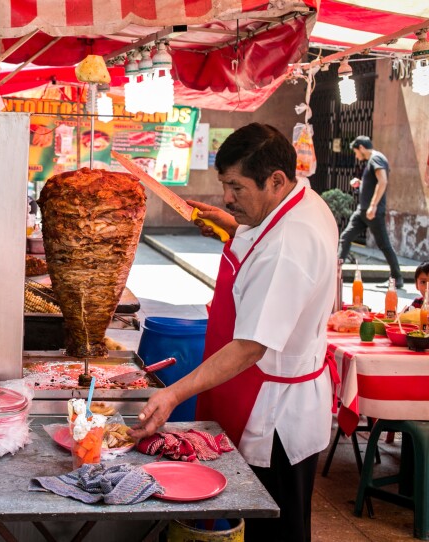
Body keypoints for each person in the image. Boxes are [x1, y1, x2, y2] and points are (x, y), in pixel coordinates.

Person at [129, 123, 338, 542]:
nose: (226, 197)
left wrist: (172, 394)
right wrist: (232, 223)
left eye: (236, 188)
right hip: (269, 393)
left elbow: (248, 347)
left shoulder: (290, 242)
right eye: (225, 185)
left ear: (276, 180)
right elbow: (264, 235)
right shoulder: (295, 202)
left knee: (277, 525)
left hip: (275, 412)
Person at [338, 135, 403, 289]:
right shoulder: (372, 161)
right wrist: (360, 183)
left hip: (372, 211)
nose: (356, 156)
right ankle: (336, 273)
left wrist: (373, 206)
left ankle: (397, 278)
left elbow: (383, 181)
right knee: (345, 237)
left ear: (361, 148)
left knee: (384, 245)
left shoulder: (376, 158)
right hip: (363, 211)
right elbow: (374, 182)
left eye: (356, 152)